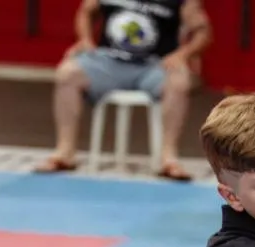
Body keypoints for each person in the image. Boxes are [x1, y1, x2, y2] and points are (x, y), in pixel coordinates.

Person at [33, 0, 211, 180]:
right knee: (68, 73)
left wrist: (183, 55)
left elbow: (202, 31)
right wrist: (85, 40)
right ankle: (65, 152)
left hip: (154, 65)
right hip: (108, 62)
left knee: (179, 81)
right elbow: (86, 11)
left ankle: (168, 158)